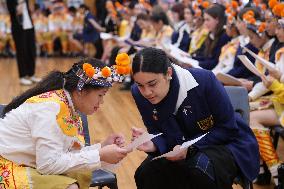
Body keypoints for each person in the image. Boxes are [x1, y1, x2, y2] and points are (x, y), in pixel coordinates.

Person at [130, 47, 259, 189]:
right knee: (145, 173)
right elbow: (157, 131)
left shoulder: (204, 80)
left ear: (168, 73)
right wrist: (153, 143)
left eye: (152, 84)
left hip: (224, 143)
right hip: (177, 147)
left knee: (198, 171)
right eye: (140, 85)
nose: (147, 92)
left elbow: (227, 128)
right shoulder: (138, 93)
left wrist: (189, 148)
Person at [0, 56, 132, 189]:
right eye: (100, 95)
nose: (101, 102)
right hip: (6, 163)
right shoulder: (51, 109)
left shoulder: (68, 105)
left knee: (79, 173)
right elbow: (48, 164)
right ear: (80, 90)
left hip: (28, 162)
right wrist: (99, 154)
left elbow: (65, 153)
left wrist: (101, 148)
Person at [6, 0, 41, 85]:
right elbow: (18, 12)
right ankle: (22, 76)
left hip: (29, 27)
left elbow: (31, 10)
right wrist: (20, 2)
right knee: (22, 52)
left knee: (32, 51)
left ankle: (31, 74)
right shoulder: (11, 1)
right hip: (18, 29)